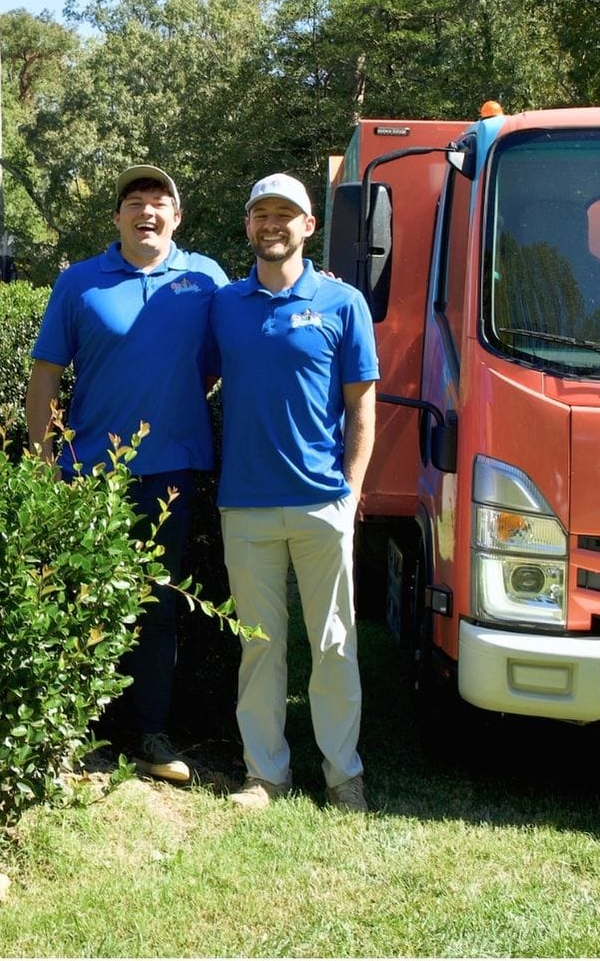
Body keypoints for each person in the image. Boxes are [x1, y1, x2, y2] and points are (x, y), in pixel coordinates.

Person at [25, 164, 228, 784]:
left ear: (177, 217)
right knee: (79, 599)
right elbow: (45, 375)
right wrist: (43, 460)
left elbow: (235, 348)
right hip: (90, 475)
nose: (147, 211)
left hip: (172, 474)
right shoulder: (79, 283)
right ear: (116, 217)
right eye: (135, 201)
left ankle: (149, 736)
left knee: (157, 604)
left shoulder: (206, 279)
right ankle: (69, 734)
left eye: (159, 201)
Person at [210, 172, 379, 812]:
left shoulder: (343, 303)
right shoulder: (224, 305)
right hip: (245, 502)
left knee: (334, 643)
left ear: (309, 225)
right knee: (259, 644)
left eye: (286, 214)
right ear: (248, 226)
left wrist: (350, 494)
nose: (272, 224)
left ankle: (343, 775)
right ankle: (265, 775)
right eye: (262, 214)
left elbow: (362, 408)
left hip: (321, 501)